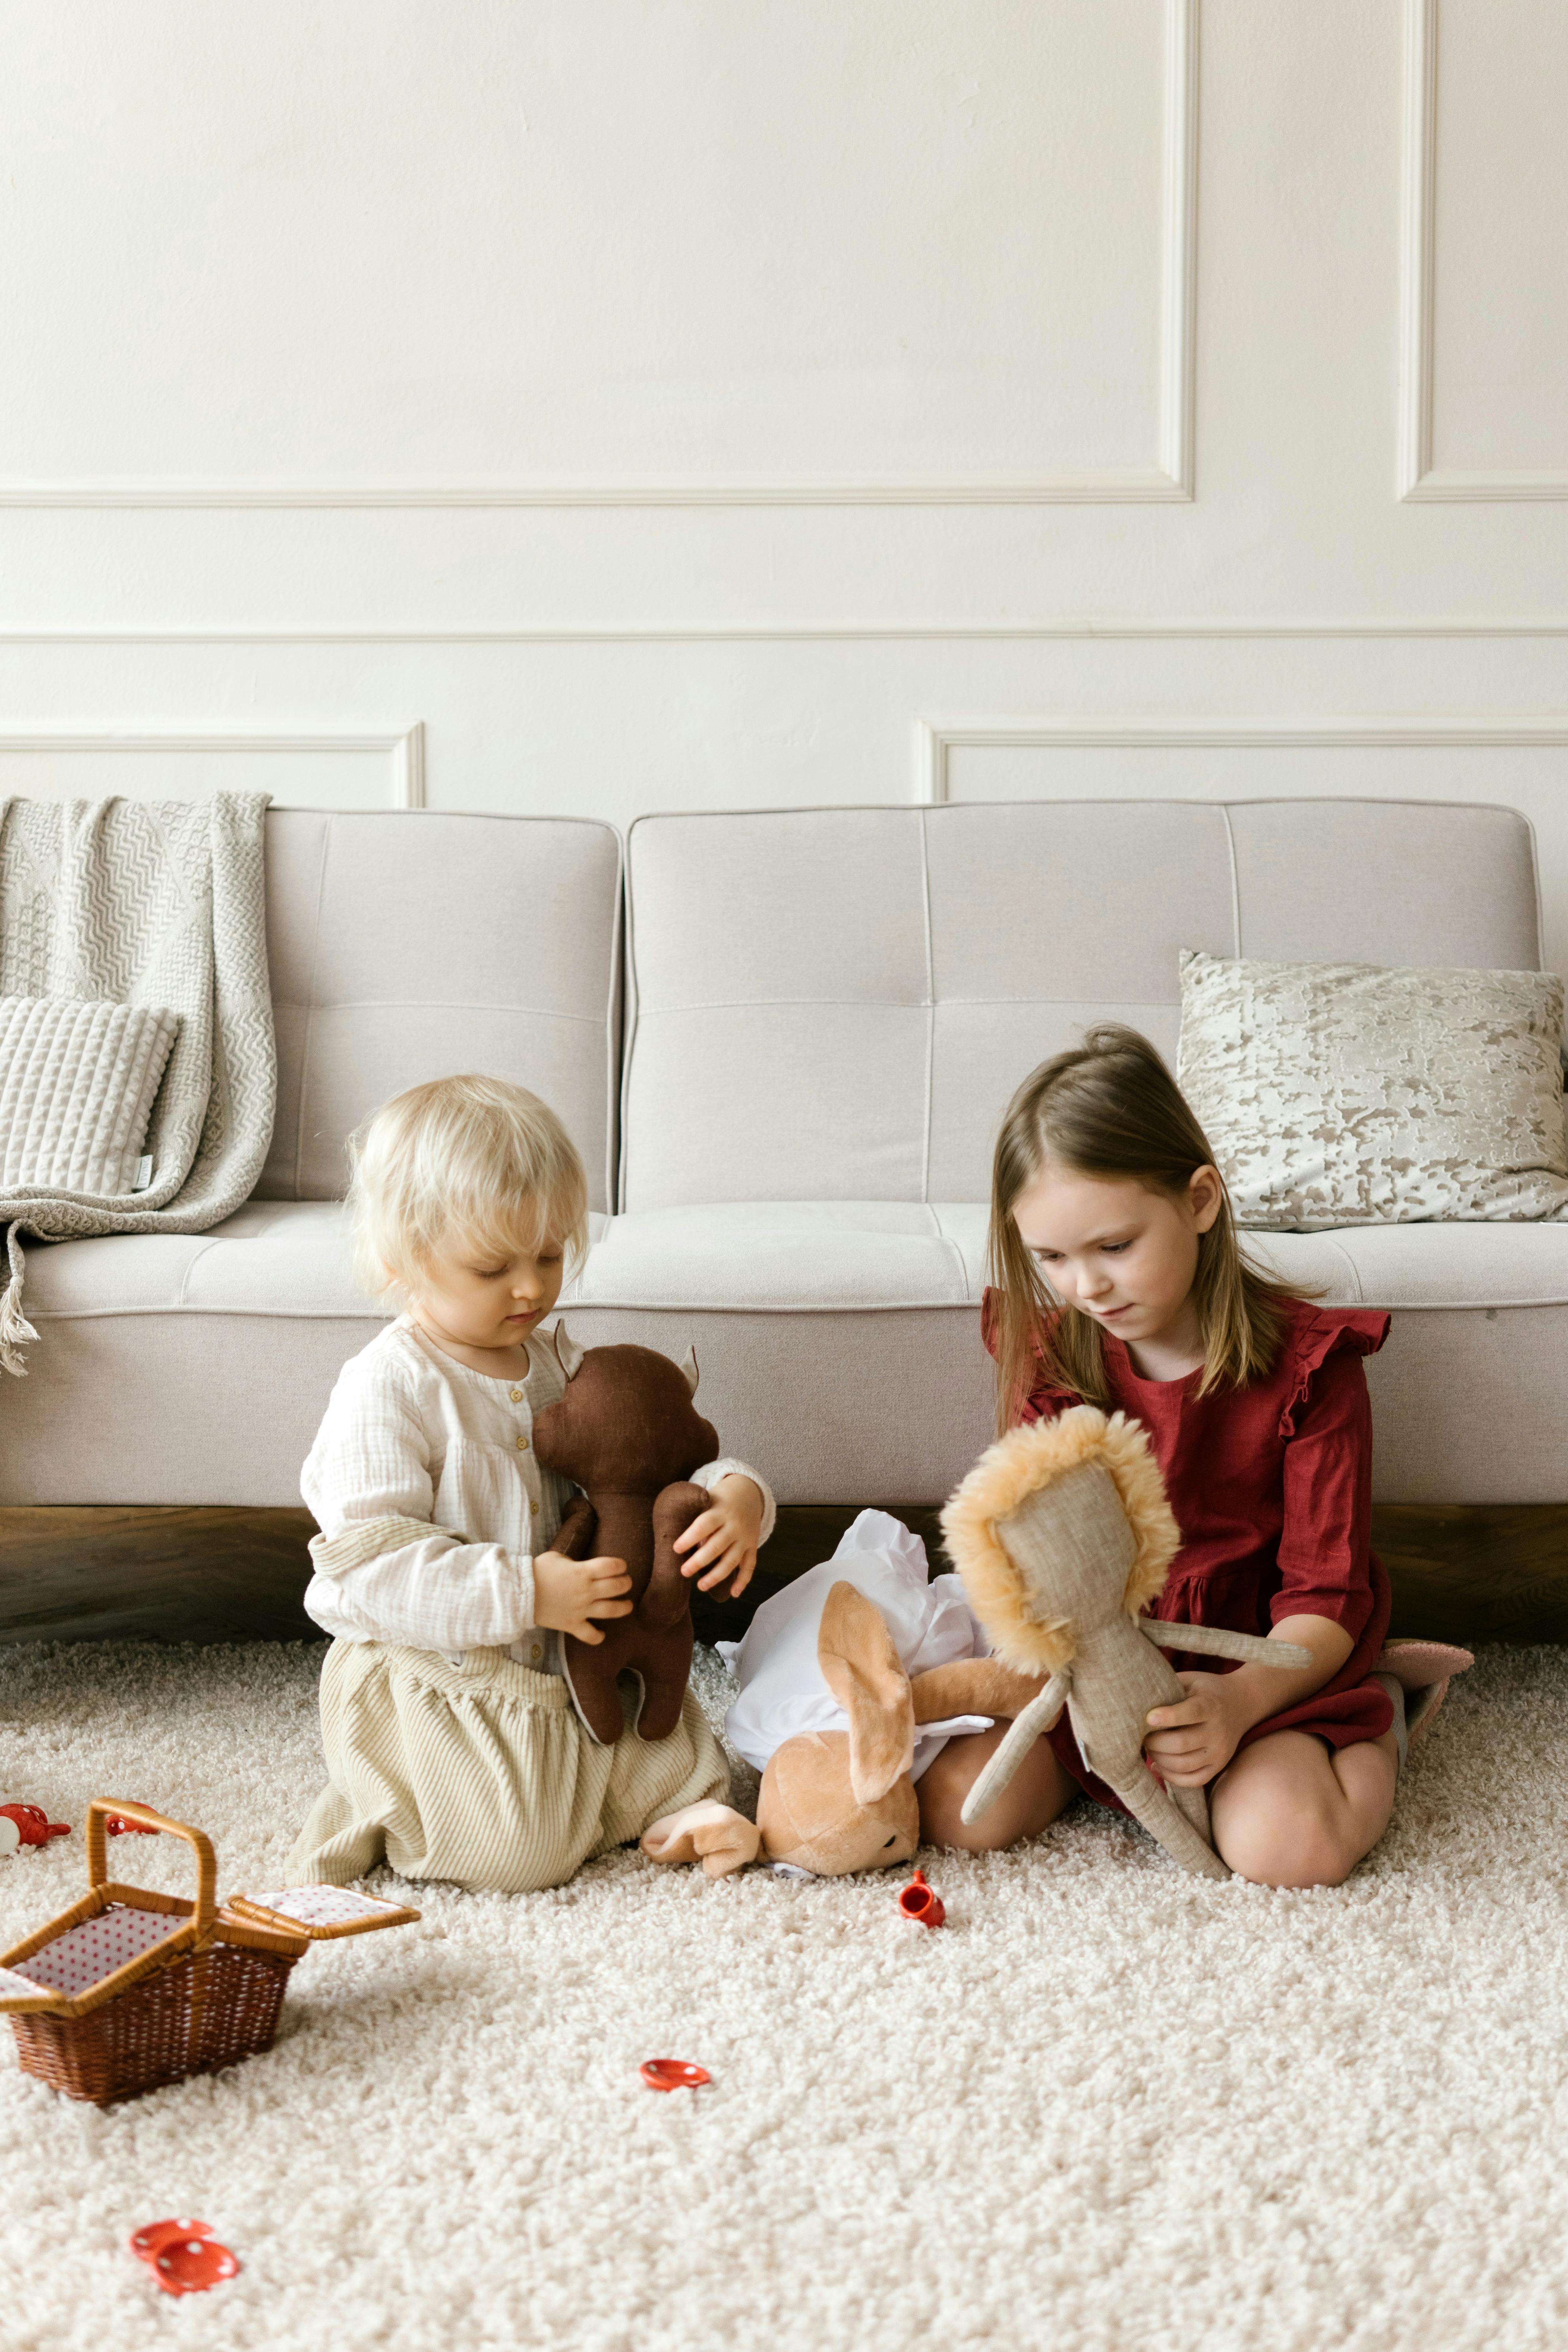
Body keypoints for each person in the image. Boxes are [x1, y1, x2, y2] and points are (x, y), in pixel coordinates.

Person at [918, 1026, 1401, 1889]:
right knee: (961, 1809)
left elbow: (1323, 1592)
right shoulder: (1053, 1353)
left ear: (1200, 1201)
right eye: (1052, 1258)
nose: (1085, 1287)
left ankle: (1387, 1721)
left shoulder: (1308, 1370)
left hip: (1265, 1663)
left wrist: (1238, 1703)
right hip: (1102, 1666)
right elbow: (1038, 1559)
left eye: (1113, 1246)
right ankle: (1117, 1773)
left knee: (1283, 1850)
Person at [287, 1073, 774, 1893]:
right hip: (449, 1678)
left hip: (571, 1670)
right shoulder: (389, 1386)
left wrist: (738, 1499)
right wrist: (524, 1593)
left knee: (678, 1751)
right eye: (491, 1267)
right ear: (404, 1257)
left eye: (550, 1255)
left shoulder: (557, 1363)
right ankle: (390, 1798)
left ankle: (654, 1806)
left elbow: (653, 1454)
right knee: (518, 1853)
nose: (530, 1287)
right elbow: (370, 1571)